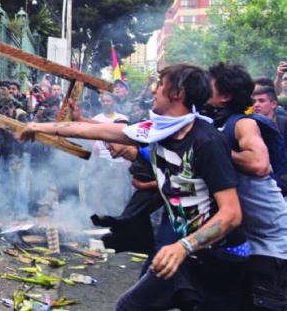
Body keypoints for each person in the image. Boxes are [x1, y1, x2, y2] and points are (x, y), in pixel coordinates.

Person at [16, 63, 249, 310]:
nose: (153, 92)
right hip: (186, 255)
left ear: (177, 93)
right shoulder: (155, 130)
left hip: (222, 260)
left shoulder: (207, 141)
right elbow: (90, 130)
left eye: (160, 85)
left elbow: (232, 214)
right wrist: (36, 127)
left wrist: (184, 246)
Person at [206, 62, 287, 310]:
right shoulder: (213, 123)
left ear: (225, 96)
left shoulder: (243, 123)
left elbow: (260, 163)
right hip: (249, 243)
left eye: (209, 84)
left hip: (274, 247)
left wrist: (219, 152)